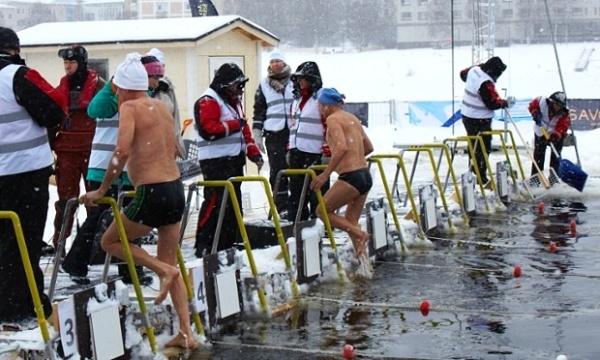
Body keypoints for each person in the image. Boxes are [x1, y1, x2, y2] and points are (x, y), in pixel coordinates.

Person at [80, 53, 196, 349]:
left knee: (110, 241)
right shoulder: (161, 105)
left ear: (121, 88)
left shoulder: (130, 107)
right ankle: (186, 333)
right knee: (170, 260)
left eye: (116, 90)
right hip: (174, 189)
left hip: (151, 191)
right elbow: (171, 147)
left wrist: (103, 189)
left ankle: (162, 270)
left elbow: (120, 152)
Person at [0, 27, 66, 321]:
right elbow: (54, 110)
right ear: (14, 49)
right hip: (26, 173)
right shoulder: (18, 75)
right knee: (24, 240)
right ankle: (22, 305)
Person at [61, 77, 152, 286]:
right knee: (96, 219)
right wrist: (113, 91)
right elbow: (94, 110)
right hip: (103, 168)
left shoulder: (141, 100)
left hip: (127, 169)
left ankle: (129, 267)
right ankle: (76, 263)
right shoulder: (110, 99)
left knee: (130, 219)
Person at [193, 63, 263, 257]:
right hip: (215, 162)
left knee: (233, 205)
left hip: (233, 161)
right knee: (215, 203)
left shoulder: (234, 101)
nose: (240, 89)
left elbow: (244, 130)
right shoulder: (208, 100)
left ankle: (227, 242)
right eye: (237, 85)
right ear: (225, 84)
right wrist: (235, 125)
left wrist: (253, 152)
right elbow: (209, 130)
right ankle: (205, 244)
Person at [310, 88, 374, 266]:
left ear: (325, 106)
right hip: (364, 175)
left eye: (320, 106)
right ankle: (364, 266)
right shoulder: (352, 118)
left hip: (351, 177)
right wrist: (353, 159)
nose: (320, 110)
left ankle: (360, 234)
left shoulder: (332, 119)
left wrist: (326, 173)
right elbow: (369, 147)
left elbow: (341, 148)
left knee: (322, 211)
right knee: (350, 221)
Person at [49, 45, 103, 253]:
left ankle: (94, 247)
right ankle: (59, 245)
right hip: (66, 152)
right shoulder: (61, 87)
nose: (68, 67)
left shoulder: (98, 86)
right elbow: (52, 116)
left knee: (94, 200)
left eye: (71, 63)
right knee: (66, 202)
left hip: (92, 151)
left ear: (81, 64)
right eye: (65, 63)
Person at [252, 50, 294, 215]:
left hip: (293, 131)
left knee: (294, 168)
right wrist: (257, 131)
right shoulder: (263, 84)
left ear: (284, 63)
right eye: (273, 61)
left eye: (278, 61)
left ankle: (296, 203)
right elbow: (259, 109)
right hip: (273, 132)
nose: (275, 64)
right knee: (277, 170)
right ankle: (280, 205)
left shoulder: (294, 81)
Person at [460, 56, 513, 186]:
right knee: (483, 147)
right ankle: (480, 177)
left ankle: (473, 173)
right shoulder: (485, 83)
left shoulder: (474, 70)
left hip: (467, 115)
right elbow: (492, 103)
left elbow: (462, 75)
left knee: (474, 144)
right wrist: (506, 103)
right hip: (480, 119)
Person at [287, 61, 329, 222]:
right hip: (297, 152)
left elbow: (329, 125)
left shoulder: (320, 99)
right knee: (296, 192)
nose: (300, 82)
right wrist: (289, 148)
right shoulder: (296, 100)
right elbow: (294, 126)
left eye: (303, 78)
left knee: (318, 193)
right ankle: (298, 224)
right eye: (298, 79)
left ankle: (321, 225)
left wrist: (327, 150)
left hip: (315, 153)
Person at [141, 50, 186, 158]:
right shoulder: (138, 90)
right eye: (154, 75)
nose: (157, 78)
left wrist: (176, 142)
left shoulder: (166, 88)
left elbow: (174, 117)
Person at [529, 91, 571, 176]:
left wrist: (556, 135)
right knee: (538, 155)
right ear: (552, 102)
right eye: (557, 105)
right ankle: (535, 179)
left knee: (555, 157)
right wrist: (535, 112)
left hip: (555, 134)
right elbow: (532, 105)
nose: (558, 108)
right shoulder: (542, 102)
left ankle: (553, 180)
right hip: (540, 130)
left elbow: (563, 126)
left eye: (560, 106)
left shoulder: (564, 114)